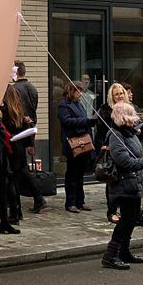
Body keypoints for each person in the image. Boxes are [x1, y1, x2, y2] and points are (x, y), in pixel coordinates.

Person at [101, 102, 143, 270]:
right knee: (126, 220)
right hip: (123, 183)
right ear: (123, 119)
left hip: (134, 182)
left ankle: (124, 251)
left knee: (132, 218)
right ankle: (110, 255)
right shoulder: (115, 135)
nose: (133, 121)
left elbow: (138, 155)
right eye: (130, 118)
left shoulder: (131, 134)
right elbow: (123, 160)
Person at [0, 84, 47, 222]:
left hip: (10, 148)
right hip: (19, 147)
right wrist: (29, 144)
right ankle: (22, 208)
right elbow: (26, 128)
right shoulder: (19, 110)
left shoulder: (4, 111)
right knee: (20, 175)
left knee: (11, 180)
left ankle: (15, 212)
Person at [12, 62, 47, 213]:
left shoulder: (14, 90)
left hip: (17, 131)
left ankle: (38, 198)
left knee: (20, 168)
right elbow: (33, 111)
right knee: (20, 167)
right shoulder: (32, 88)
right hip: (29, 129)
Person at [58, 80, 95, 213]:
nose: (80, 94)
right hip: (73, 143)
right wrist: (87, 121)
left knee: (80, 174)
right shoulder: (64, 105)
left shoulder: (79, 104)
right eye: (78, 91)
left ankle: (80, 201)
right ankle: (70, 202)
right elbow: (67, 121)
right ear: (72, 91)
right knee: (72, 174)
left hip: (83, 142)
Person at [97, 83, 131, 223]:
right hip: (112, 148)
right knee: (112, 180)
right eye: (116, 94)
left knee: (126, 180)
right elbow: (100, 130)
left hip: (128, 147)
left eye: (121, 93)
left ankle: (125, 209)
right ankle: (112, 210)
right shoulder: (105, 110)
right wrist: (104, 145)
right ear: (111, 96)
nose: (119, 96)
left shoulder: (130, 108)